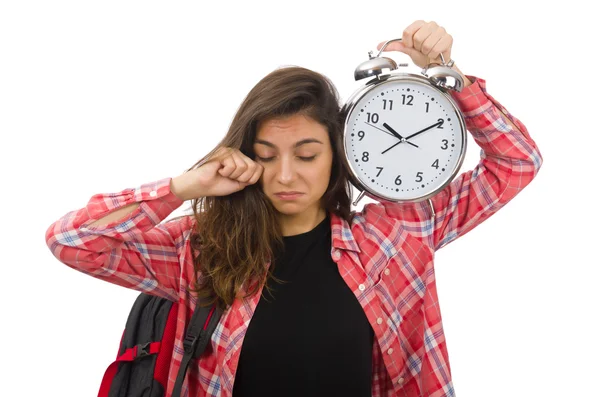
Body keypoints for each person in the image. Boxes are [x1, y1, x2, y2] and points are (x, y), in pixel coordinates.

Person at [45, 20, 543, 397]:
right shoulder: (199, 248)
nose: (285, 176)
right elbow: (72, 241)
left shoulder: (398, 234)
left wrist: (449, 77)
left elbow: (516, 163)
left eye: (306, 155)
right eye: (266, 156)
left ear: (339, 155)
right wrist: (183, 185)